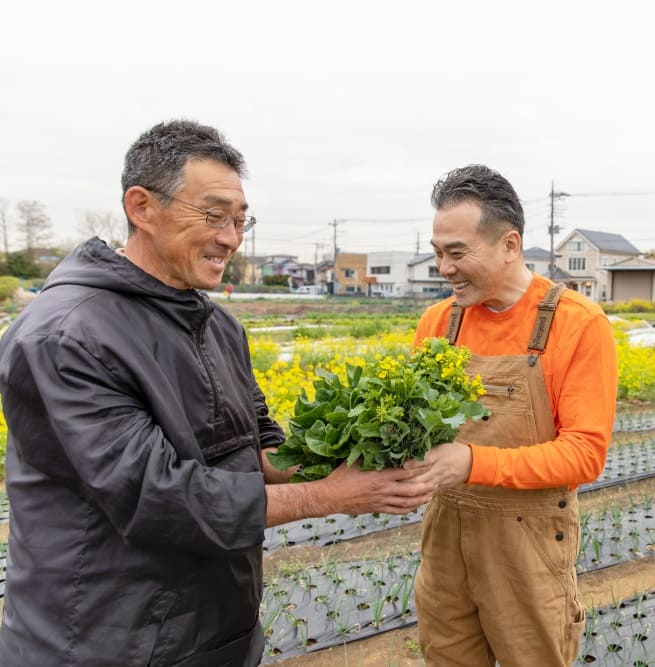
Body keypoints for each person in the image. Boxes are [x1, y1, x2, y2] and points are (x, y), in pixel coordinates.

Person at [0, 120, 435, 667]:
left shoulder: (218, 326)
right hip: (105, 640)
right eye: (213, 216)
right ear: (142, 207)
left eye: (240, 220)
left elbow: (261, 449)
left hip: (216, 628)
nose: (231, 238)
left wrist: (360, 458)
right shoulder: (67, 336)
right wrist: (333, 496)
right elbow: (156, 497)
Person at [404, 165, 617, 667]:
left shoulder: (576, 324)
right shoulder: (438, 322)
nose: (444, 267)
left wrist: (471, 463)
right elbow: (416, 428)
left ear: (510, 244)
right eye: (438, 253)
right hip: (445, 536)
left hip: (528, 542)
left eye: (457, 252)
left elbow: (584, 454)